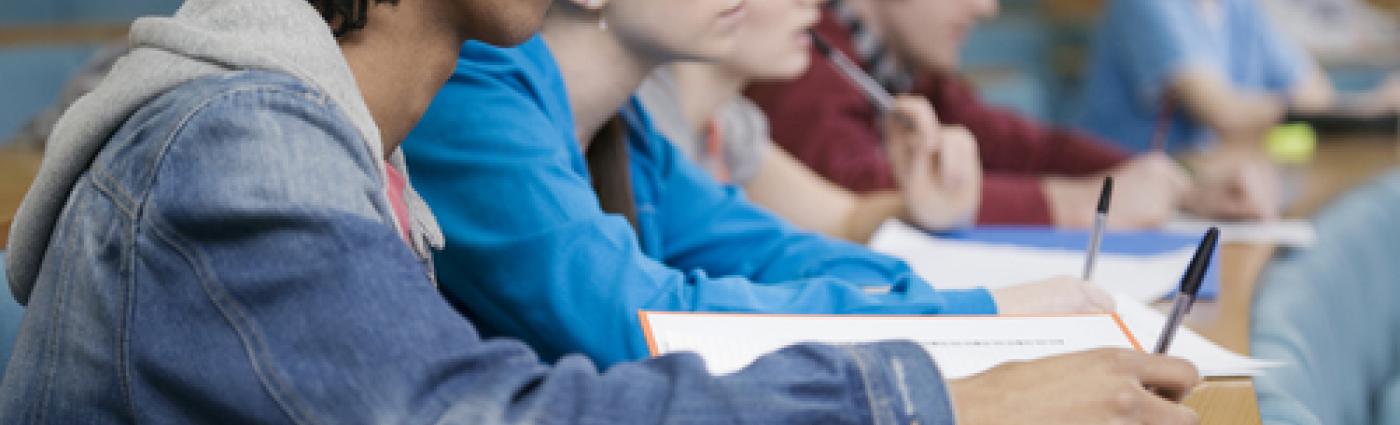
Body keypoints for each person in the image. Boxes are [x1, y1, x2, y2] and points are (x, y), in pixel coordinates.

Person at [0, 0, 1117, 423]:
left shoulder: (354, 141)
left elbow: (763, 249)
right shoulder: (241, 147)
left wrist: (996, 330)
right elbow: (492, 414)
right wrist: (936, 395)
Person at [403, 0, 1116, 369]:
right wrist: (977, 317)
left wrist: (973, 306)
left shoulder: (627, 130)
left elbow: (780, 253)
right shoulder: (472, 97)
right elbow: (649, 317)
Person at [747, 0, 1278, 227]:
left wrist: (1175, 184)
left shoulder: (899, 64)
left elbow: (1022, 143)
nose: (987, 8)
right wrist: (1076, 204)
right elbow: (872, 192)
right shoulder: (799, 61)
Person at [635, 0, 981, 242]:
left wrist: (921, 206)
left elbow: (844, 220)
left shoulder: (731, 124)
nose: (816, 2)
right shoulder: (645, 121)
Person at [1075, 0, 1400, 154]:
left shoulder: (1238, 9)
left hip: (1202, 189)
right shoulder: (1148, 6)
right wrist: (1368, 108)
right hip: (1126, 195)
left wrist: (1361, 110)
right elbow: (1224, 114)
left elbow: (1315, 95)